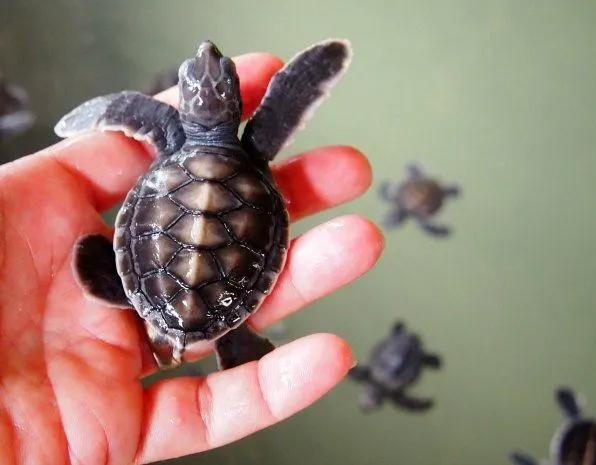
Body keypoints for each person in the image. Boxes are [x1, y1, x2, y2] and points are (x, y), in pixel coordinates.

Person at [0, 51, 383, 464]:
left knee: (99, 256)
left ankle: (205, 325)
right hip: (221, 261)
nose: (207, 51)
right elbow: (287, 100)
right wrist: (312, 72)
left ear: (186, 101)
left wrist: (97, 115)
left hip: (157, 277)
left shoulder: (168, 129)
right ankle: (229, 333)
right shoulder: (254, 148)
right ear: (234, 105)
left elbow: (131, 110)